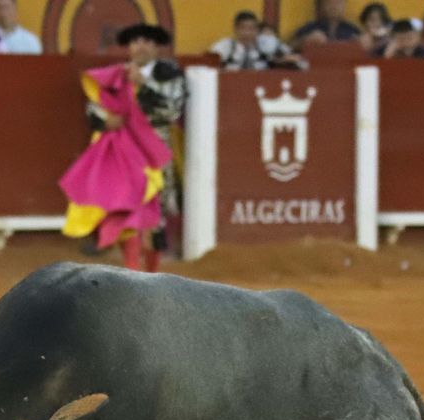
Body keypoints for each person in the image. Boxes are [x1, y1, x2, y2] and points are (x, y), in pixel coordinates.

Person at [62, 23, 183, 273]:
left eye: (147, 41)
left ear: (156, 48)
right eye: (136, 41)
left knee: (155, 216)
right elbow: (94, 108)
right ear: (129, 48)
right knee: (127, 207)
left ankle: (152, 274)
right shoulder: (116, 75)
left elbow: (172, 111)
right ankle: (131, 268)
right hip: (123, 150)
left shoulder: (169, 75)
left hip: (154, 151)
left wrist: (145, 86)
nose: (141, 46)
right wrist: (105, 120)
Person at [210, 10, 294, 69]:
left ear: (257, 30)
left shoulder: (266, 45)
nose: (247, 33)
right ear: (235, 29)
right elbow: (208, 66)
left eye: (251, 28)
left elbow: (292, 57)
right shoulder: (226, 46)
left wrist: (281, 60)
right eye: (242, 28)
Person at [292, 0, 360, 45]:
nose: (334, 6)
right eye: (329, 2)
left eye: (338, 2)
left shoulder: (353, 30)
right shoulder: (309, 28)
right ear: (320, 6)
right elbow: (289, 48)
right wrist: (304, 41)